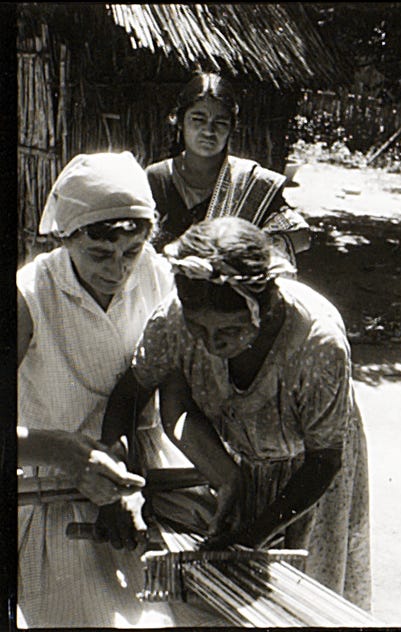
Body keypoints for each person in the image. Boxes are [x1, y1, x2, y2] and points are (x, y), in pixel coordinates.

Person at [104, 216, 371, 611]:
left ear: (264, 309)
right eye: (200, 330)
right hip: (241, 463)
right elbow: (129, 394)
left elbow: (324, 460)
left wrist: (253, 535)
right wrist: (118, 481)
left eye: (227, 332)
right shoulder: (175, 320)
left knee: (306, 599)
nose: (211, 344)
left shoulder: (316, 343)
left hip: (314, 476)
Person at [17, 151, 225, 628]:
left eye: (130, 251)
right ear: (66, 238)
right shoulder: (29, 297)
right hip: (52, 493)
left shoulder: (156, 273)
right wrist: (64, 451)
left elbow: (169, 391)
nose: (118, 270)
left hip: (145, 482)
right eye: (99, 254)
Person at [145, 71, 311, 264]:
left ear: (232, 128)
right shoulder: (156, 178)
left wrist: (243, 249)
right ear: (180, 122)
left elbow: (301, 235)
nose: (208, 131)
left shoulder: (250, 183)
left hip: (230, 291)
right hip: (163, 289)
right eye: (198, 119)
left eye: (220, 123)